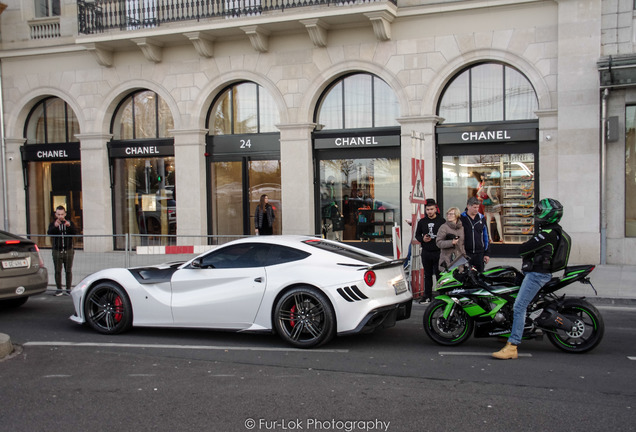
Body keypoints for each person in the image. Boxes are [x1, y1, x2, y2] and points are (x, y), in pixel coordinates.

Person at [492, 198, 567, 360]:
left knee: (519, 306)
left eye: (539, 212)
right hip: (535, 272)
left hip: (537, 274)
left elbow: (524, 248)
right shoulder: (552, 231)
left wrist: (526, 249)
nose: (536, 214)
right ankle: (509, 331)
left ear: (548, 215)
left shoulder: (548, 234)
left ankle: (512, 345)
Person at [414, 198, 445, 303]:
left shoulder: (441, 221)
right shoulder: (422, 222)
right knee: (427, 275)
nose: (430, 212)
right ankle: (427, 295)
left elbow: (446, 235)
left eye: (431, 209)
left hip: (438, 252)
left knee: (439, 274)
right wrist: (422, 239)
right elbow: (417, 235)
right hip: (426, 252)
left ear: (435, 209)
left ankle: (442, 295)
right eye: (427, 210)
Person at [47, 205, 77, 296]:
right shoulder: (53, 224)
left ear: (65, 214)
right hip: (57, 250)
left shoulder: (69, 223)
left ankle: (68, 289)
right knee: (57, 270)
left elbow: (75, 232)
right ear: (56, 214)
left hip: (68, 249)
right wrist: (55, 227)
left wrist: (69, 226)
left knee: (68, 270)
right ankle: (59, 289)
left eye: (62, 214)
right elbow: (49, 233)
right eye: (58, 214)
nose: (60, 216)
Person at [460, 196, 490, 272]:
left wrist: (486, 253)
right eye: (474, 207)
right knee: (467, 276)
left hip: (479, 253)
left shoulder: (481, 218)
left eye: (477, 207)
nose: (476, 209)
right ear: (468, 206)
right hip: (466, 252)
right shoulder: (461, 218)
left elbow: (486, 236)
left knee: (480, 275)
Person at [436, 207, 465, 272]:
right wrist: (451, 242)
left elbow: (462, 244)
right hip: (447, 260)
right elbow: (438, 242)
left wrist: (464, 257)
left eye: (451, 214)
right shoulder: (444, 227)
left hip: (459, 260)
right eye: (448, 214)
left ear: (457, 215)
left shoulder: (461, 228)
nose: (449, 216)